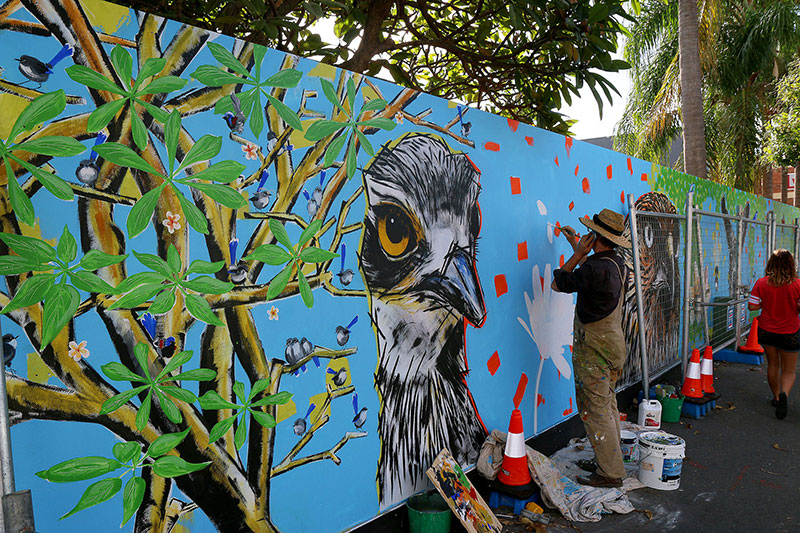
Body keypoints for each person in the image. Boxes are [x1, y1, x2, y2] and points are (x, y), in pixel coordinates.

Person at [552, 208, 630, 488]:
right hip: (613, 347)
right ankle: (610, 461)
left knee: (596, 411)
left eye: (590, 234)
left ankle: (610, 473)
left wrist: (575, 254)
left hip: (594, 350)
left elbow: (558, 282)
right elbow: (591, 273)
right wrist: (578, 245)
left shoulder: (593, 268)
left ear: (596, 236)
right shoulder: (616, 263)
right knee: (607, 405)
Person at [747, 249, 800, 420]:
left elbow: (752, 307)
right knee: (789, 370)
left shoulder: (761, 283)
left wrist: (766, 303)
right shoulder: (797, 284)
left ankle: (776, 398)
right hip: (790, 332)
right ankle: (784, 393)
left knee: (772, 365)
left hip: (766, 330)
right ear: (791, 265)